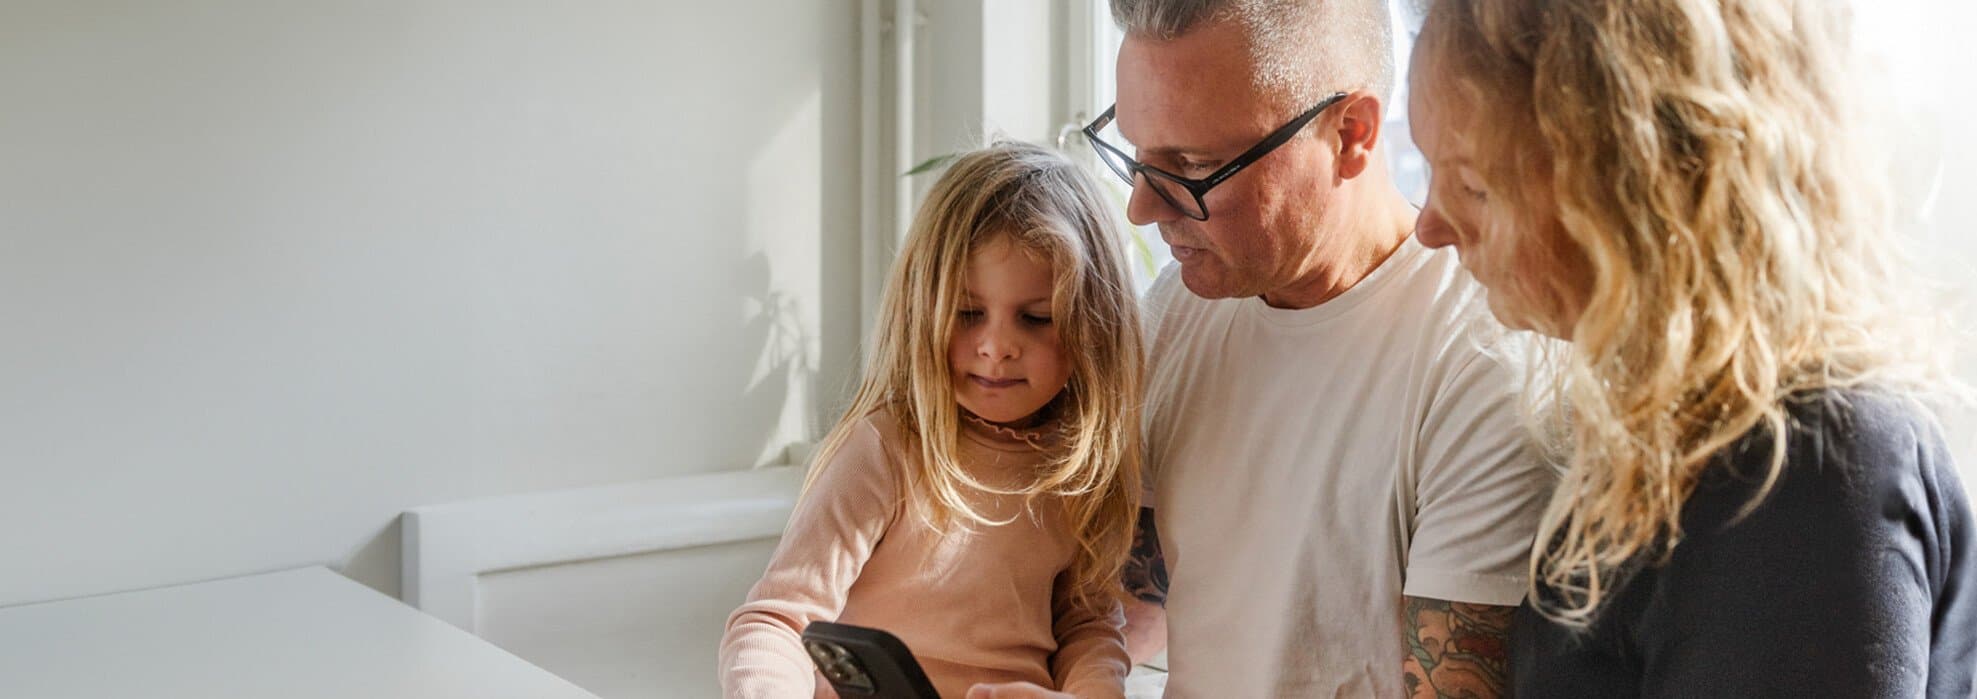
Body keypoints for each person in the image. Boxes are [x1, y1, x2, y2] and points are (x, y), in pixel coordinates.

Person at [977, 2, 1554, 697]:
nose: (1142, 208)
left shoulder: (1482, 363)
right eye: (1134, 154)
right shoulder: (1179, 307)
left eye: (1192, 164)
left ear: (1351, 134)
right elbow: (1132, 598)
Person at [1408, 0, 1977, 695]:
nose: (1429, 226)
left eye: (1474, 186)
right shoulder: (1666, 438)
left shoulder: (1802, 471)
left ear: (1634, 185)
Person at [719, 141, 1145, 699]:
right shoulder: (886, 448)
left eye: (1036, 318)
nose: (996, 347)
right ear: (924, 307)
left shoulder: (1080, 465)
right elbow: (775, 622)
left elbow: (1088, 629)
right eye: (968, 313)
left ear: (1093, 326)